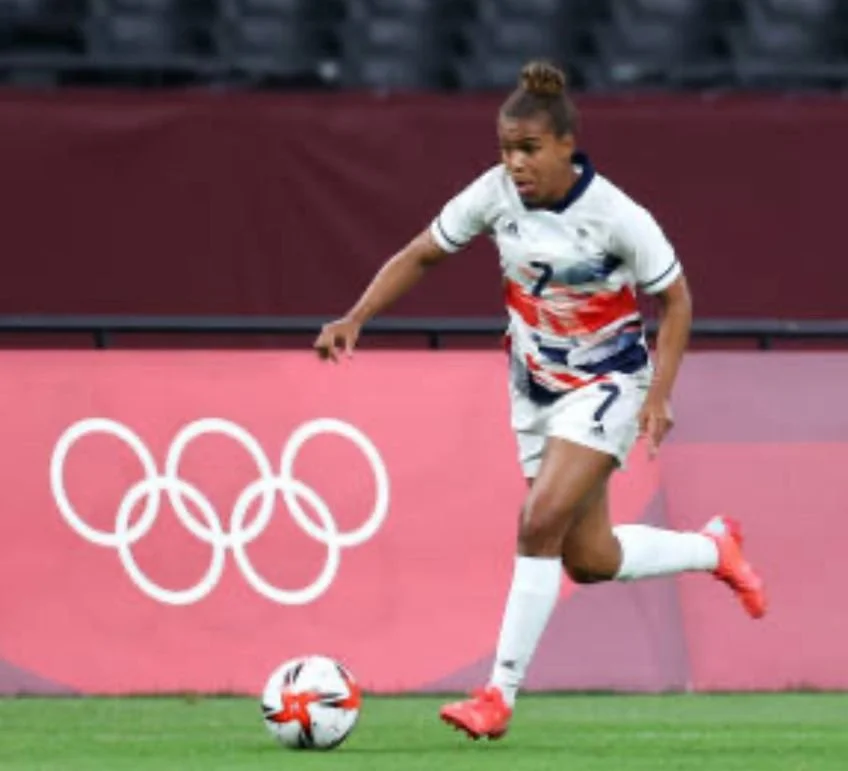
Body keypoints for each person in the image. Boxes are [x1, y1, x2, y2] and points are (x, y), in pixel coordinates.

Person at [313, 60, 766, 740]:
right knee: (589, 558)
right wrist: (356, 315)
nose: (515, 164)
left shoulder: (616, 215)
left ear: (565, 146)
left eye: (527, 150)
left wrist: (660, 395)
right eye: (505, 150)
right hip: (534, 390)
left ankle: (497, 693)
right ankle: (713, 548)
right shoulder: (495, 194)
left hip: (609, 380)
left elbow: (675, 299)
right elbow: (422, 253)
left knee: (537, 521)